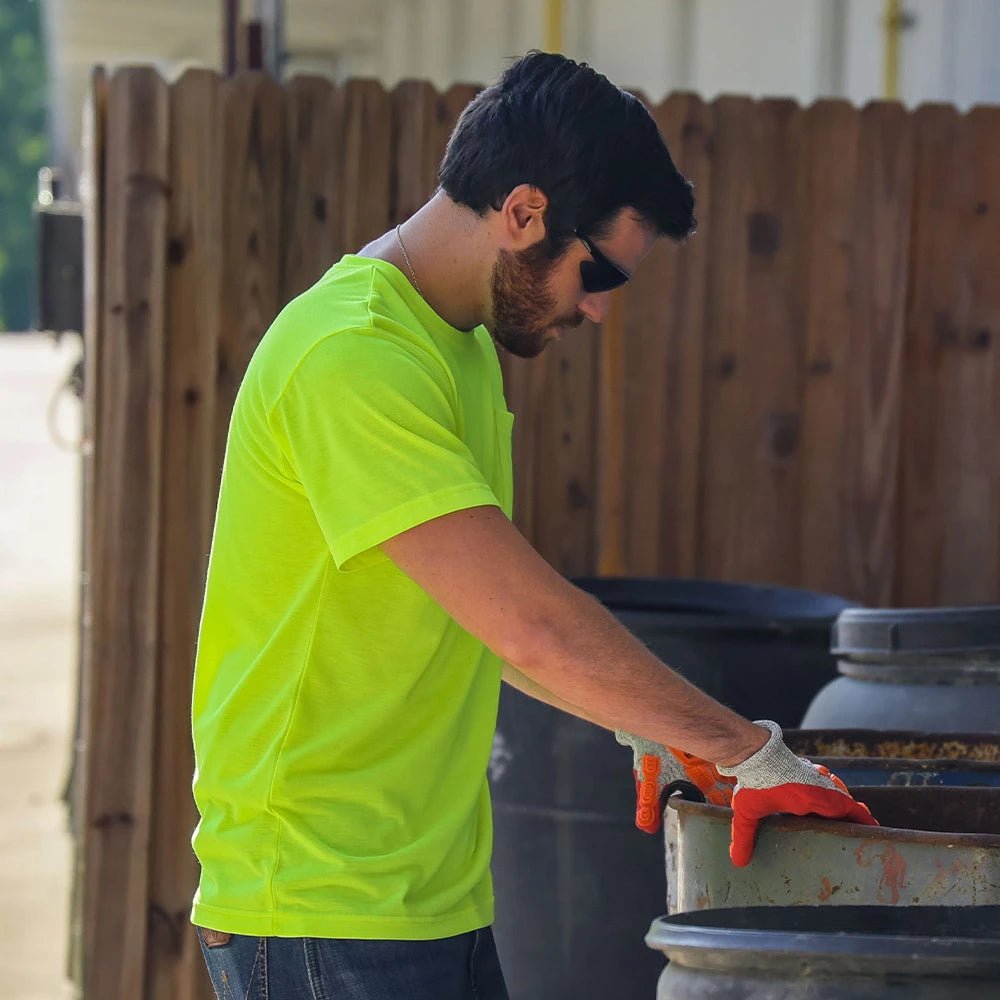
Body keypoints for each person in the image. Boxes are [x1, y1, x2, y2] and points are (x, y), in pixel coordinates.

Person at [189, 50, 875, 1000]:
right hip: (316, 908)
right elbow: (529, 625)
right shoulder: (352, 355)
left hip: (428, 898)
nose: (596, 308)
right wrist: (740, 750)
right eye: (600, 275)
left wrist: (649, 726)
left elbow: (474, 621)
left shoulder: (458, 350)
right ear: (522, 212)